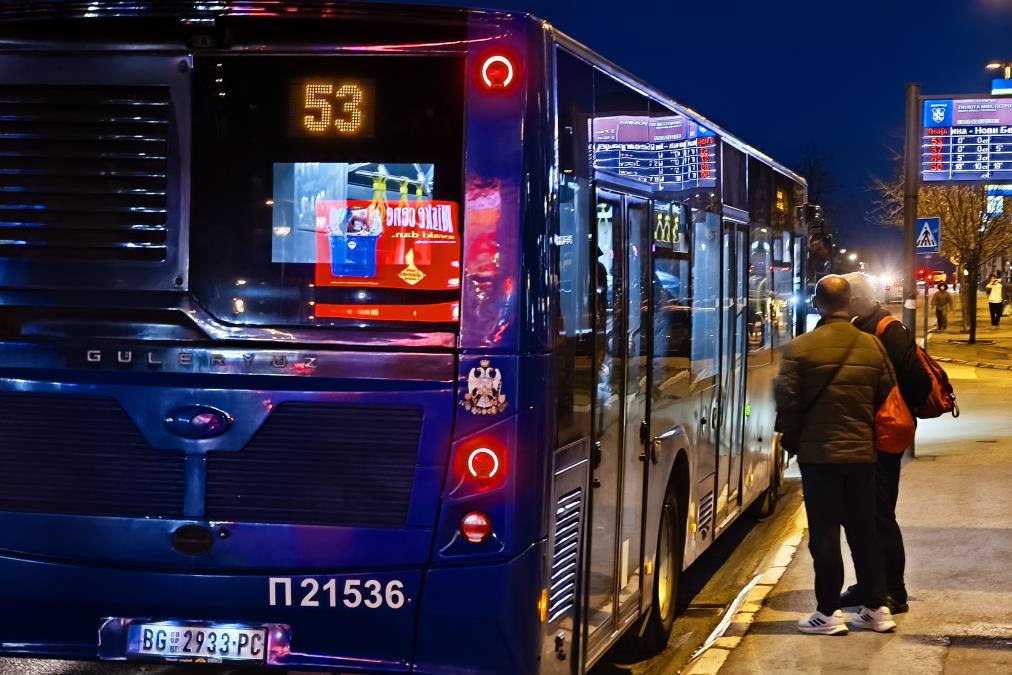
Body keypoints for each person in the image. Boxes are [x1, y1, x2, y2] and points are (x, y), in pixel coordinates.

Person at [775, 275, 898, 635]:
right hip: (862, 455)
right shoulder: (872, 347)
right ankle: (876, 608)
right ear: (850, 302)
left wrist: (794, 441)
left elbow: (787, 403)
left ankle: (828, 613)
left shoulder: (799, 348)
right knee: (864, 531)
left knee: (825, 533)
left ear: (817, 304)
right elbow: (886, 390)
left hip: (820, 457)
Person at [842, 272, 931, 616]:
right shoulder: (865, 325)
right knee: (861, 515)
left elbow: (918, 383)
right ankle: (870, 585)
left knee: (879, 515)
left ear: (855, 299)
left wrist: (888, 407)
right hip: (866, 437)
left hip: (882, 437)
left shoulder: (887, 329)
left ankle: (894, 591)